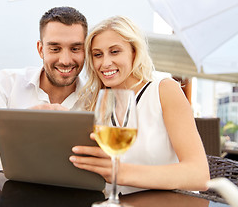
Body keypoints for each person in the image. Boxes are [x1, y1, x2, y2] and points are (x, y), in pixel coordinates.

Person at [69, 15, 210, 194]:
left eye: (115, 51)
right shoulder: (95, 101)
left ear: (134, 52)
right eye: (98, 54)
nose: (105, 63)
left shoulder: (163, 89)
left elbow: (199, 175)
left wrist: (121, 172)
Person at [0, 6, 88, 168]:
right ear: (41, 50)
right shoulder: (7, 82)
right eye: (55, 49)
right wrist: (26, 120)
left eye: (75, 49)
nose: (65, 60)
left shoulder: (96, 99)